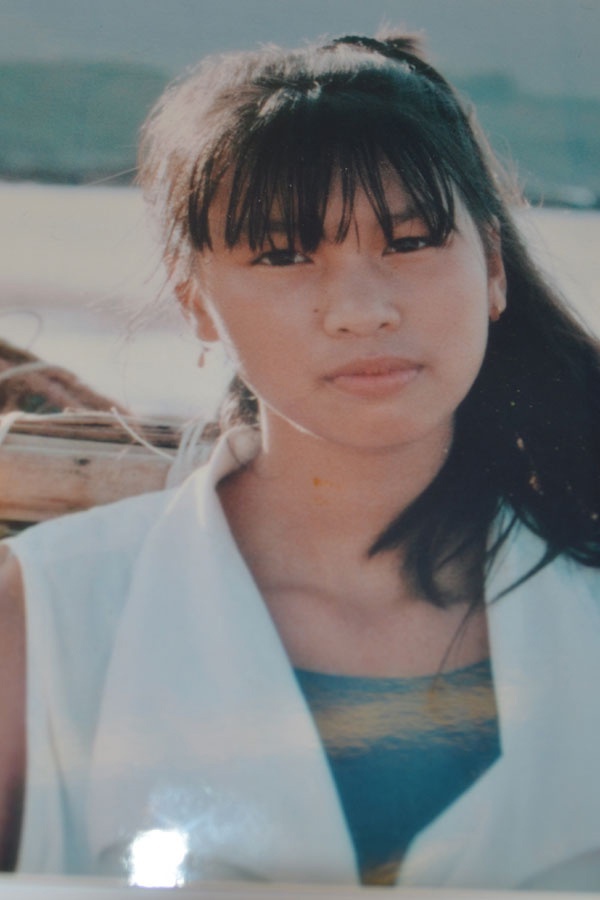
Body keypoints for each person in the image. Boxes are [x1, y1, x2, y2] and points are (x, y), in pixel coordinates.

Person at [0, 30, 599, 890]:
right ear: (195, 300)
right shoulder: (49, 615)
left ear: (494, 268)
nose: (361, 309)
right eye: (283, 254)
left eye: (411, 241)